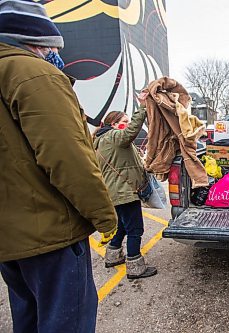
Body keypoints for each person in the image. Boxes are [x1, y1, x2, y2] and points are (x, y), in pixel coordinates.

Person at [0, 1, 118, 332]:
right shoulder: (35, 75)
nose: (56, 56)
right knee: (68, 322)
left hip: (11, 241)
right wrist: (105, 217)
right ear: (35, 42)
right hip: (52, 234)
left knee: (29, 320)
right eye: (53, 47)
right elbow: (68, 158)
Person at [93, 105, 158, 279]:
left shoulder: (102, 140)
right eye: (124, 122)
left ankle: (113, 255)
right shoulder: (113, 136)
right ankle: (135, 267)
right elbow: (131, 132)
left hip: (117, 192)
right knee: (135, 229)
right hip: (124, 192)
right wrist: (144, 108)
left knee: (123, 226)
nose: (127, 125)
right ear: (113, 124)